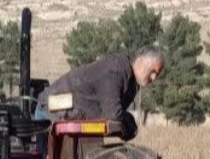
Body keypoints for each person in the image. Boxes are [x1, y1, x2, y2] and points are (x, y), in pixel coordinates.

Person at [36, 48, 165, 141]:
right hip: (51, 112)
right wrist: (129, 121)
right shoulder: (115, 72)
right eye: (153, 71)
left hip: (75, 117)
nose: (154, 78)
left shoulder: (131, 79)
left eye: (157, 74)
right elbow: (113, 114)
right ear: (141, 62)